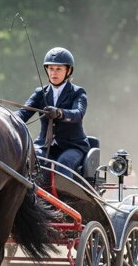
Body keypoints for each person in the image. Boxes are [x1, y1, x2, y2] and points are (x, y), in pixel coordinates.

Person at [15, 47, 90, 178]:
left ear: (69, 71)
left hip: (72, 147)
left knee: (63, 162)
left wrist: (60, 113)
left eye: (58, 69)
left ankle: (63, 191)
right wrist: (3, 115)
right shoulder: (40, 93)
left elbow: (78, 114)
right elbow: (22, 114)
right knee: (33, 158)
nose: (53, 73)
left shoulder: (78, 92)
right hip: (44, 146)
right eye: (51, 68)